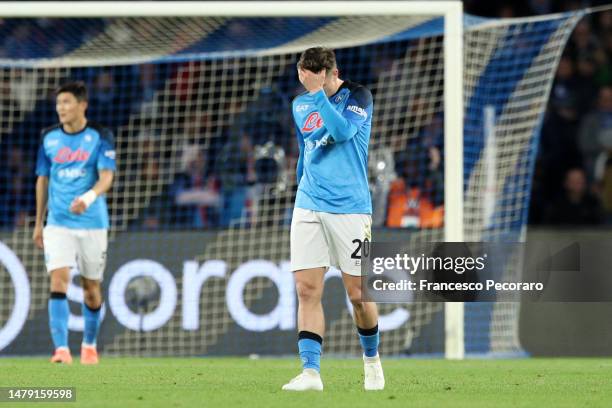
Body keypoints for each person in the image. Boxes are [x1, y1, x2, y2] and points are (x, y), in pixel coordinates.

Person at [282, 47, 384, 392]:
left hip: (351, 208)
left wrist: (318, 95)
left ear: (331, 72)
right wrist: (298, 193)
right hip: (309, 204)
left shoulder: (358, 96)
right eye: (304, 75)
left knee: (358, 294)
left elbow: (341, 133)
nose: (309, 81)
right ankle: (311, 373)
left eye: (316, 76)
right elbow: (304, 151)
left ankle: (371, 360)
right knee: (306, 289)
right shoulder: (299, 105)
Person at [33, 81, 116, 365]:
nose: (61, 108)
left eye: (67, 102)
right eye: (58, 104)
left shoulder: (100, 136)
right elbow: (43, 179)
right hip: (58, 222)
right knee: (59, 279)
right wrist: (38, 222)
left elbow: (107, 177)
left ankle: (90, 345)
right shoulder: (48, 138)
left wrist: (89, 197)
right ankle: (61, 350)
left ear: (83, 105)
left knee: (92, 290)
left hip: (92, 222)